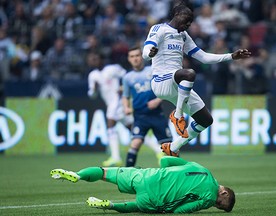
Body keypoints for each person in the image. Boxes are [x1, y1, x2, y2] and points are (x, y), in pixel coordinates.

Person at [142, 4, 251, 156]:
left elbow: (204, 57)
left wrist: (231, 56)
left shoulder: (184, 35)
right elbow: (146, 51)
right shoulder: (159, 29)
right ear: (177, 14)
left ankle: (173, 147)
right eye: (186, 20)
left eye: (191, 21)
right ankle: (178, 115)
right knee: (189, 74)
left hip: (178, 85)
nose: (188, 24)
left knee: (206, 120)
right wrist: (150, 53)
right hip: (161, 81)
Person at [50, 156, 235, 213]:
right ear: (223, 193)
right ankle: (110, 205)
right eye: (219, 203)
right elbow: (180, 211)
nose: (214, 204)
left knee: (104, 172)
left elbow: (164, 161)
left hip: (146, 176)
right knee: (140, 207)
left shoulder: (200, 167)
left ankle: (78, 175)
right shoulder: (208, 197)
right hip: (155, 199)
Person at [88, 53, 163, 167]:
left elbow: (127, 76)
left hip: (118, 101)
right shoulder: (93, 76)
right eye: (92, 59)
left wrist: (123, 88)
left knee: (110, 124)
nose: (94, 61)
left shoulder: (113, 69)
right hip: (111, 104)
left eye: (96, 58)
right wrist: (94, 89)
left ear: (101, 59)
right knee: (135, 131)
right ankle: (158, 150)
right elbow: (92, 95)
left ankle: (115, 156)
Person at [122, 47, 173, 167]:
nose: (135, 59)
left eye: (137, 56)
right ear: (129, 59)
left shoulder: (153, 70)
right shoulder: (127, 77)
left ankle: (179, 174)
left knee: (170, 148)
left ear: (142, 57)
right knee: (135, 143)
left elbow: (167, 87)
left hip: (156, 114)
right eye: (132, 56)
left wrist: (158, 100)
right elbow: (125, 96)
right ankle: (127, 175)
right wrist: (126, 107)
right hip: (140, 116)